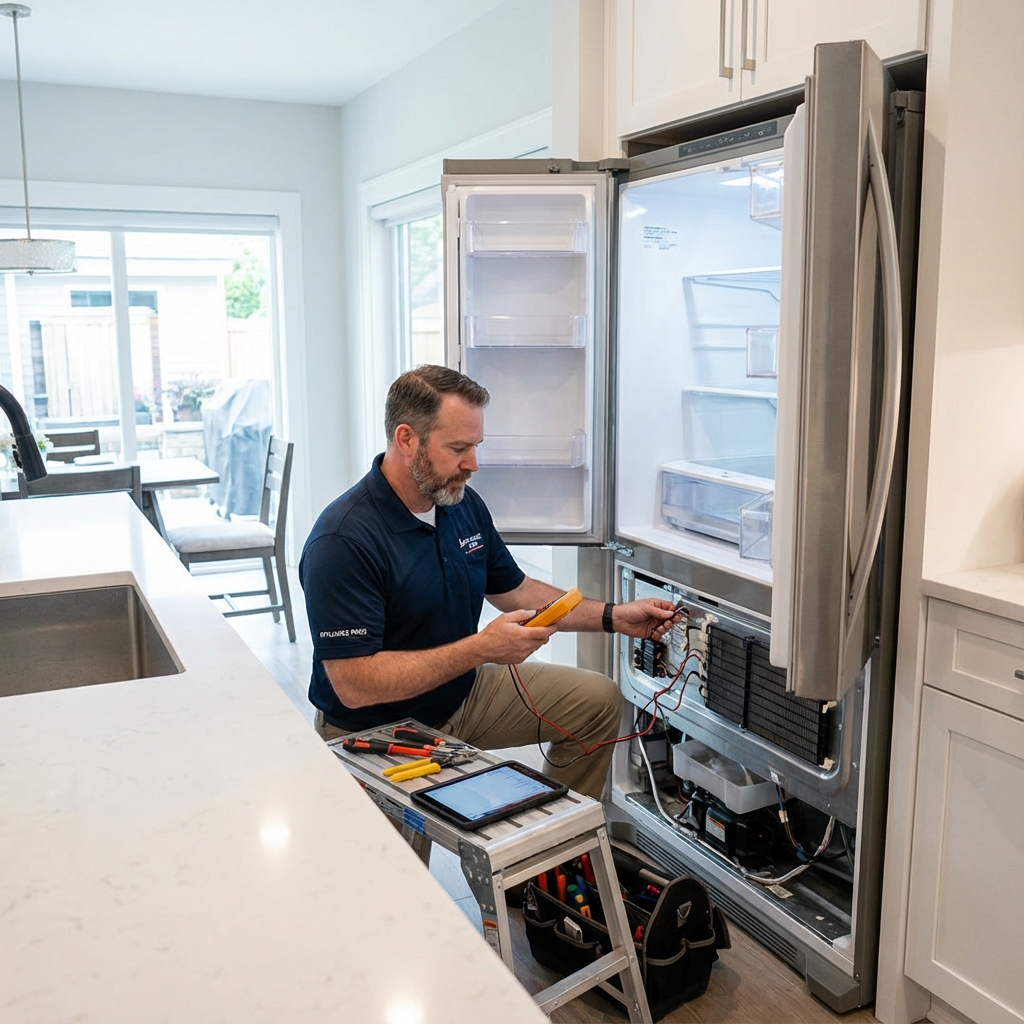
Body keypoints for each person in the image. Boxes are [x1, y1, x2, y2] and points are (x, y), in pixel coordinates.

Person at [299, 365, 680, 799]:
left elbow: (515, 590)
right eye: (458, 448)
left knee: (597, 701)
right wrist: (482, 649)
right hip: (375, 729)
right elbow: (354, 685)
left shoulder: (459, 504)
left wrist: (614, 617)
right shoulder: (343, 540)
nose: (473, 464)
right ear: (406, 440)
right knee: (397, 862)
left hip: (462, 695)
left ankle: (549, 846)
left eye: (476, 446)